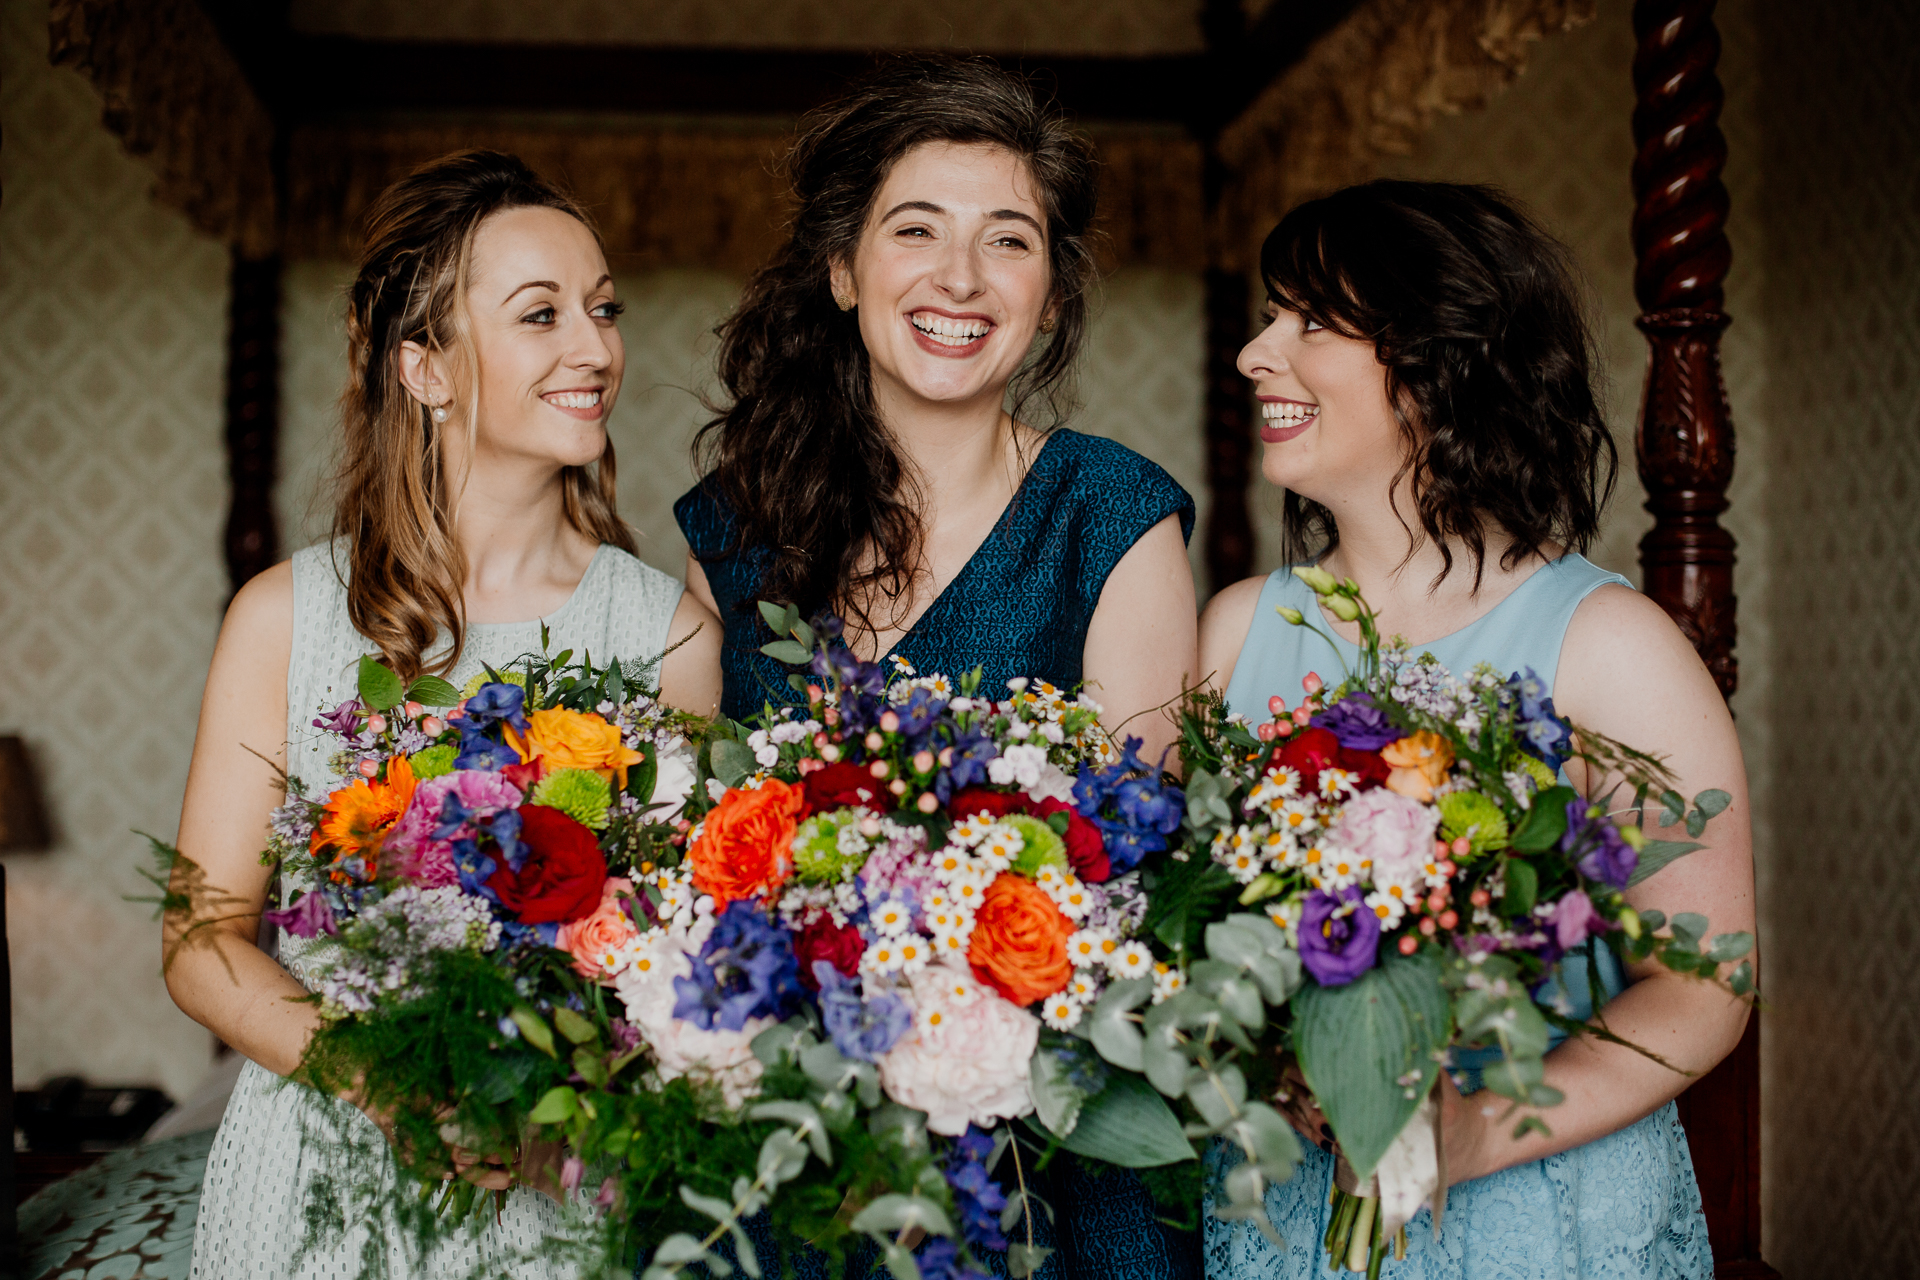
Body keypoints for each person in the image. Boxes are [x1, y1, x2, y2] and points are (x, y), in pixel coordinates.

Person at [675, 56, 1201, 1280]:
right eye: (916, 230)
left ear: (1054, 296)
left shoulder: (1113, 514)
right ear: (845, 269)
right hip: (789, 1151)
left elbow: (1137, 870)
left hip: (1050, 1159)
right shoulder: (729, 534)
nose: (961, 279)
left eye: (1008, 241)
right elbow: (682, 867)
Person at [170, 150, 721, 1277]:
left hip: (559, 1188)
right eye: (541, 314)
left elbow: (676, 954)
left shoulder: (668, 637)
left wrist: (555, 1091)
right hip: (322, 1172)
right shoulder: (287, 615)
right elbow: (198, 938)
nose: (596, 348)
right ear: (424, 364)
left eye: (603, 308)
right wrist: (386, 1079)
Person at [1196, 181, 1753, 1279]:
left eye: (1309, 320)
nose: (1259, 352)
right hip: (1284, 1205)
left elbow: (1702, 988)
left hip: (1539, 1215)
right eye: (1269, 315)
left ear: (1442, 359)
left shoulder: (1609, 643)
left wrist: (1481, 1129)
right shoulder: (1234, 631)